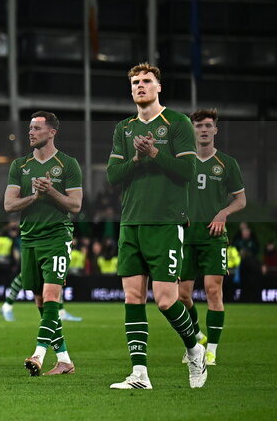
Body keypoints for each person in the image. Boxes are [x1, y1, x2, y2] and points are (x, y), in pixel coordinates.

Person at [106, 63, 206, 390]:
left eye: (147, 81)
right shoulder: (124, 128)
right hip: (131, 221)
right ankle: (139, 375)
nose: (140, 86)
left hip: (165, 222)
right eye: (135, 82)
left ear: (158, 87)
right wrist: (136, 159)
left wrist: (153, 152)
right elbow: (112, 176)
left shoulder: (177, 123)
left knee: (165, 300)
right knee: (133, 298)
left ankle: (195, 348)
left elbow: (187, 171)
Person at [4, 111, 83, 376]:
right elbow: (9, 204)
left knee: (51, 297)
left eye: (37, 128)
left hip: (57, 238)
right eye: (30, 128)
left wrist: (51, 191)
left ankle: (38, 354)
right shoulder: (20, 165)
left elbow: (75, 204)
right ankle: (65, 361)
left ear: (52, 132)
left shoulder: (68, 164)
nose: (31, 132)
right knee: (40, 301)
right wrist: (35, 196)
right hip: (30, 240)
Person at [177, 109, 246, 366]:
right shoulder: (183, 161)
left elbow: (241, 199)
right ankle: (195, 336)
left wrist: (223, 214)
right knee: (181, 296)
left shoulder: (227, 163)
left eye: (208, 126)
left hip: (213, 236)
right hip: (184, 236)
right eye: (198, 126)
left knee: (213, 291)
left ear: (215, 130)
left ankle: (212, 351)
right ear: (192, 130)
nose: (203, 130)